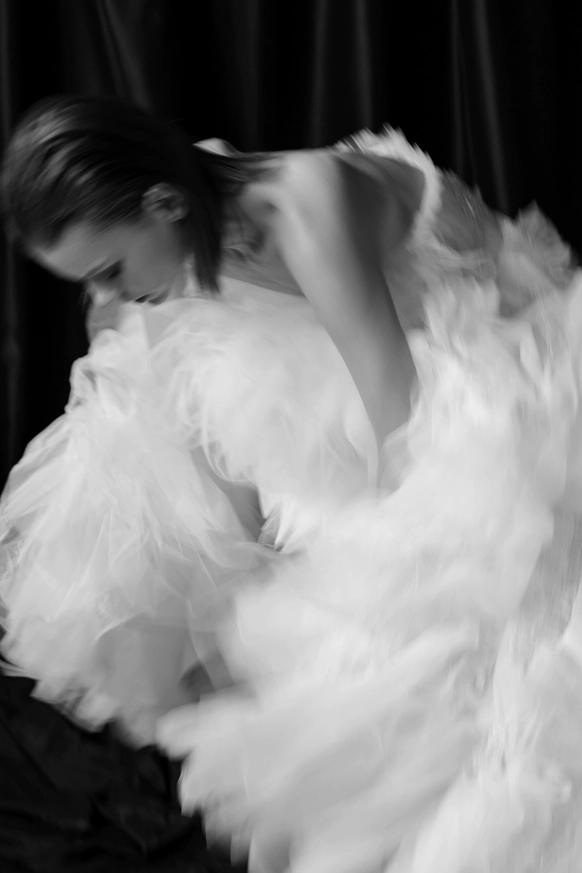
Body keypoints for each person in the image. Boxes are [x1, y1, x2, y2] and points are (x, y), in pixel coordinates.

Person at [2, 95, 582, 871]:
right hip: (354, 375)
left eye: (108, 269)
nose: (106, 292)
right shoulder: (192, 197)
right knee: (142, 429)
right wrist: (239, 561)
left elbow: (399, 414)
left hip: (482, 378)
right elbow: (193, 388)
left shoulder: (306, 204)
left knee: (439, 643)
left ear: (164, 202)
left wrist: (368, 576)